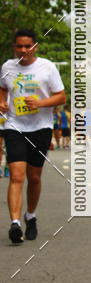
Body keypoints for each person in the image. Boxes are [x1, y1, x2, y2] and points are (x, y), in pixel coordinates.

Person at [0, 29, 66, 243]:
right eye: (19, 46)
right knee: (17, 175)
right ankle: (15, 224)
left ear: (35, 47)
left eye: (28, 46)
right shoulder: (7, 67)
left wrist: (40, 103)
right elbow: (2, 89)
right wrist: (2, 102)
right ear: (14, 47)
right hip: (14, 126)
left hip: (41, 127)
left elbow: (61, 97)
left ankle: (31, 215)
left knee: (34, 177)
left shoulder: (47, 67)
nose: (23, 50)